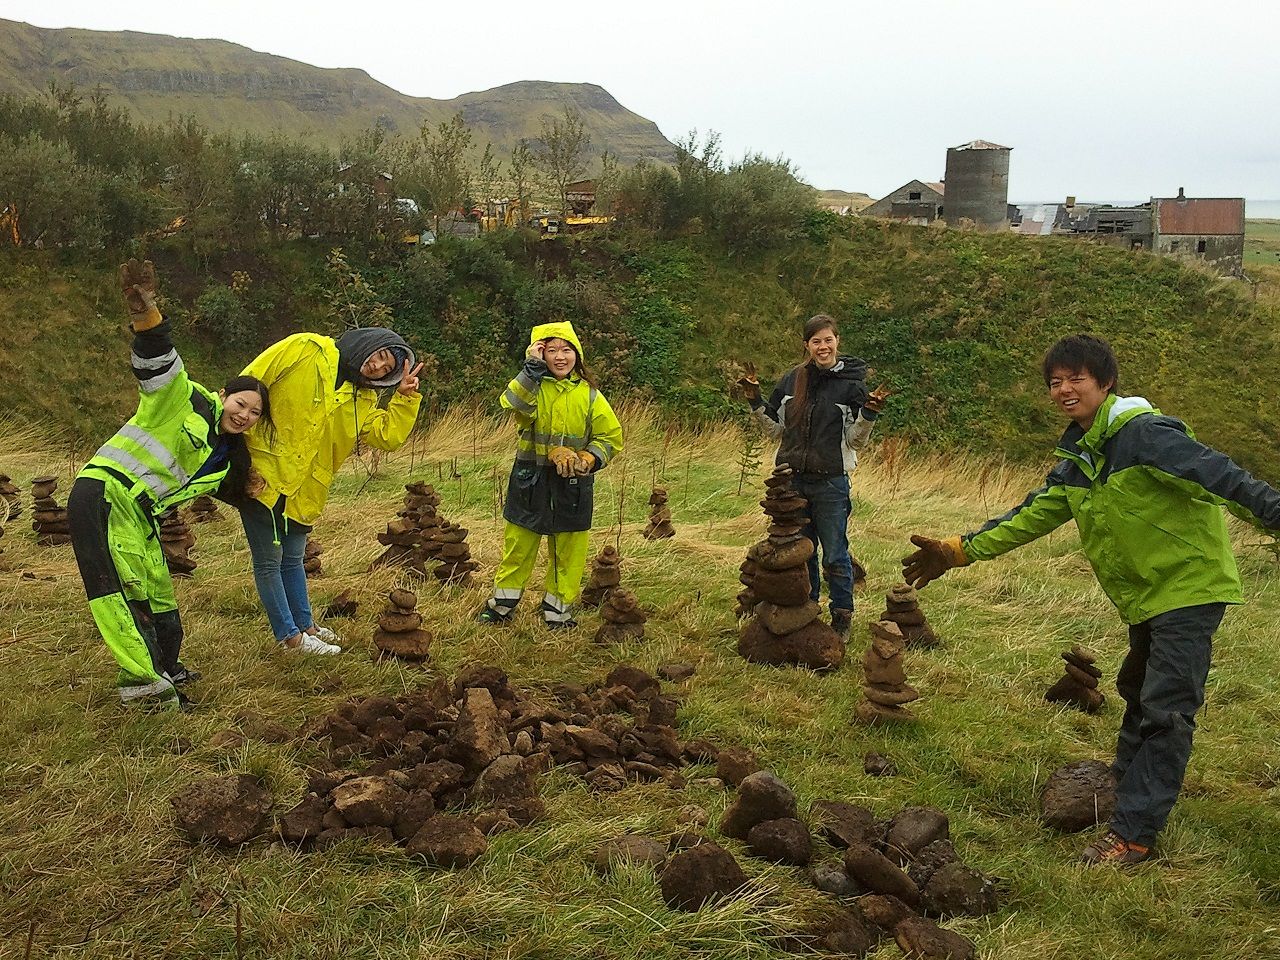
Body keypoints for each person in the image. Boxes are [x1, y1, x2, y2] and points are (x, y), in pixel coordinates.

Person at [901, 333, 1280, 866]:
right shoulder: (1080, 457)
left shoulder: (1146, 435)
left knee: (1167, 709)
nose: (1063, 389)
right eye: (1055, 382)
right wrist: (959, 551)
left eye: (1076, 379)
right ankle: (1125, 780)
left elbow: (1223, 478)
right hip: (1145, 594)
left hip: (1188, 587)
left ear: (1106, 383)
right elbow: (1032, 515)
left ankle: (1134, 835)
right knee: (1136, 685)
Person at [69, 259, 272, 708]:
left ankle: (167, 665)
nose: (245, 415)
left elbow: (216, 485)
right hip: (104, 494)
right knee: (116, 592)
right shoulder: (184, 399)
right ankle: (147, 689)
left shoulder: (224, 461)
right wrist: (147, 316)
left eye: (255, 413)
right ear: (224, 395)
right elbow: (158, 360)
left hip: (139, 515)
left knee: (157, 590)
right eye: (241, 403)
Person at [240, 327, 423, 654]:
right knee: (269, 560)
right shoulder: (306, 349)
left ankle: (306, 626)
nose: (377, 368)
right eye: (380, 356)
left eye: (386, 370)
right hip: (263, 475)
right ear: (368, 343)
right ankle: (290, 639)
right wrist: (237, 439)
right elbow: (252, 380)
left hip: (307, 489)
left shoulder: (363, 397)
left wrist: (405, 398)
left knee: (293, 558)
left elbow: (387, 437)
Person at [737, 314, 893, 638]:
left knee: (835, 554)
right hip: (792, 482)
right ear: (806, 345)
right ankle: (806, 609)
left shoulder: (852, 386)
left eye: (828, 339)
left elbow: (855, 440)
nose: (822, 346)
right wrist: (755, 400)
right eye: (815, 341)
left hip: (831, 483)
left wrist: (869, 414)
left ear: (837, 341)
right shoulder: (792, 381)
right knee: (802, 551)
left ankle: (842, 616)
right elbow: (775, 430)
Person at [478, 321, 623, 629]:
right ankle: (501, 606)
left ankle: (557, 611)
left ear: (578, 355)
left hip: (573, 486)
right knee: (518, 547)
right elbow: (514, 403)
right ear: (539, 354)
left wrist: (588, 458)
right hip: (530, 482)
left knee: (569, 552)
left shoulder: (590, 395)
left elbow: (610, 436)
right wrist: (530, 368)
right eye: (551, 350)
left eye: (567, 350)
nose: (560, 357)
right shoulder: (531, 388)